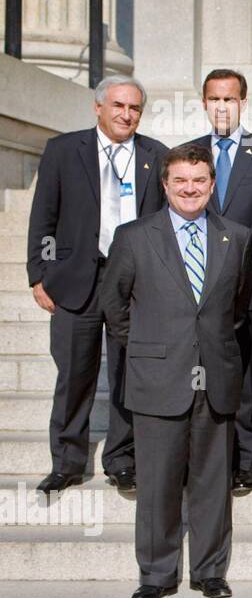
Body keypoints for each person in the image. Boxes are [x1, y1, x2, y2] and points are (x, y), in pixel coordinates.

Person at [101, 144, 252, 598]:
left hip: (216, 375)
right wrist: (153, 349)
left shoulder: (238, 236)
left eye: (200, 181)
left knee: (212, 482)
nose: (191, 189)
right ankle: (156, 574)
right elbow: (114, 307)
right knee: (158, 485)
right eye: (181, 181)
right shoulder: (133, 236)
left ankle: (209, 571)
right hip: (157, 379)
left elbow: (238, 309)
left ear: (212, 184)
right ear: (165, 185)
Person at [26, 75, 167, 495]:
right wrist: (39, 274)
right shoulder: (64, 150)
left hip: (133, 281)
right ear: (99, 107)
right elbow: (43, 216)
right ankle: (67, 461)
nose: (127, 114)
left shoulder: (155, 155)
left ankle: (122, 460)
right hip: (75, 282)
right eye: (119, 106)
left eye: (135, 108)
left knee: (129, 372)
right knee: (74, 373)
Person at [180, 69, 252, 494]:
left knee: (244, 376)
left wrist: (230, 258)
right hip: (195, 287)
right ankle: (205, 459)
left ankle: (245, 461)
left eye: (230, 99)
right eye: (214, 99)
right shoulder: (187, 155)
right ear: (204, 103)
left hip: (249, 285)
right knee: (199, 373)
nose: (222, 106)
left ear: (243, 102)